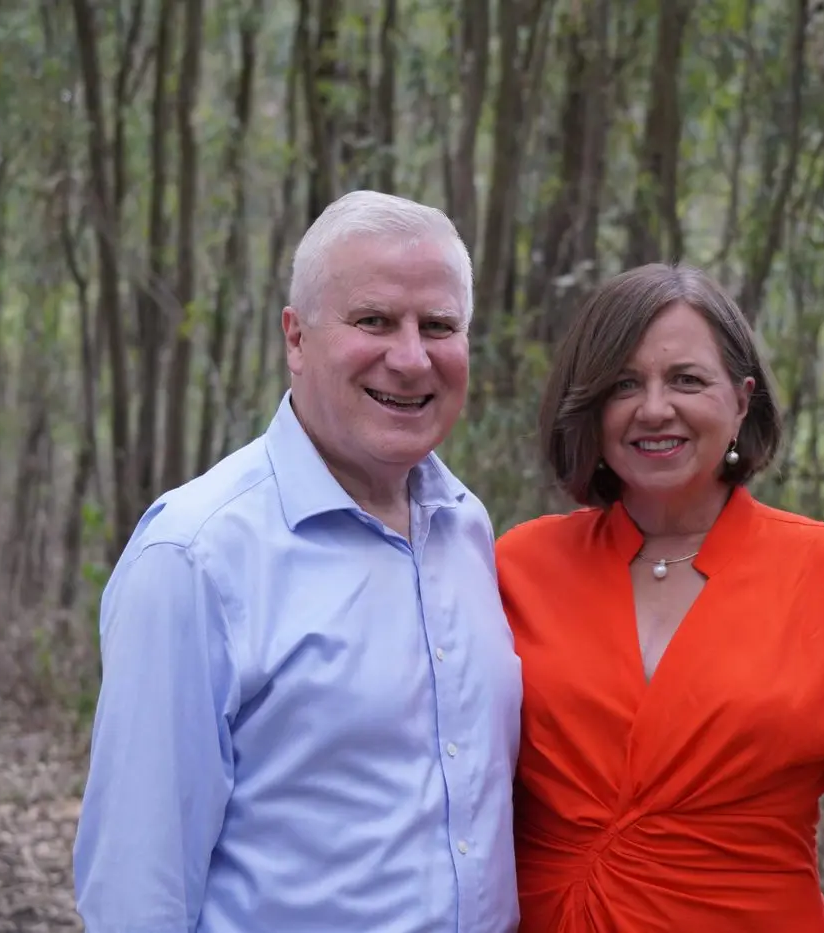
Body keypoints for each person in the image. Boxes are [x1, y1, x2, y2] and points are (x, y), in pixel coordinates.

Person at [72, 190, 523, 933]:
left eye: (439, 326)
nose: (411, 357)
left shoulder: (465, 528)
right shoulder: (195, 555)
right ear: (296, 338)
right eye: (373, 320)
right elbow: (136, 892)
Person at [495, 263, 824, 932]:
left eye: (686, 380)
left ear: (741, 401)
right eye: (623, 384)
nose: (654, 408)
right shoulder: (514, 568)